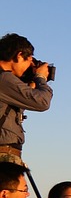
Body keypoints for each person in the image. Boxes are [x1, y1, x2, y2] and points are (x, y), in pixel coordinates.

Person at [0, 34, 52, 162]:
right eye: (29, 60)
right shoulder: (4, 78)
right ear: (19, 55)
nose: (29, 66)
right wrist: (41, 77)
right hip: (4, 154)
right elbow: (42, 102)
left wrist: (31, 85)